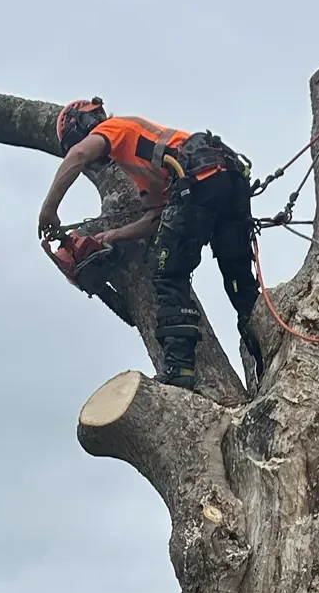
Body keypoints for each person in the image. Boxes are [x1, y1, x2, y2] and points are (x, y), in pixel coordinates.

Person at [37, 98, 262, 391]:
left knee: (169, 272)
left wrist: (49, 210)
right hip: (226, 181)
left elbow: (78, 155)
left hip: (200, 181)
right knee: (239, 282)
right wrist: (113, 235)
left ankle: (179, 367)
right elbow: (156, 218)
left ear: (82, 126)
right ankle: (264, 350)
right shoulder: (143, 158)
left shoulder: (114, 128)